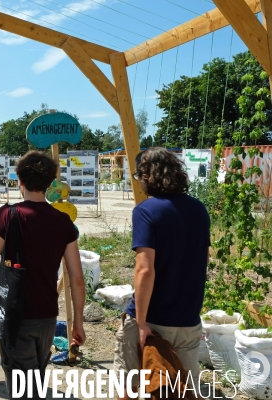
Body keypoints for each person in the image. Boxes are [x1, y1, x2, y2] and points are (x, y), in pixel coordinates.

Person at [0, 150, 86, 400]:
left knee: (22, 388)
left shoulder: (8, 214)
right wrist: (78, 322)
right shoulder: (63, 222)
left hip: (15, 316)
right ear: (50, 184)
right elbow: (77, 278)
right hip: (47, 317)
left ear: (20, 181)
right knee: (34, 380)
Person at [113, 147, 211, 399]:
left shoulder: (146, 211)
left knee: (130, 387)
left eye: (139, 176)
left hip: (154, 320)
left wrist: (142, 323)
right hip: (188, 320)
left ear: (147, 175)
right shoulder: (199, 209)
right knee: (184, 391)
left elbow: (145, 269)